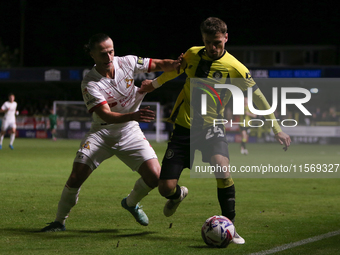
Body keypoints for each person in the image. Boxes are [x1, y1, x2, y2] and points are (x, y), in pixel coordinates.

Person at [139, 17, 291, 244]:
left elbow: (257, 96)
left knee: (222, 167)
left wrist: (276, 128)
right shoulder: (191, 54)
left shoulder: (236, 67)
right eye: (209, 42)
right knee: (165, 188)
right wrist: (154, 84)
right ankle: (178, 195)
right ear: (202, 39)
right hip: (184, 127)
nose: (213, 47)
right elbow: (175, 71)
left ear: (226, 38)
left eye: (218, 42)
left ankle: (230, 226)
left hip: (213, 127)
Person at [41, 33, 182, 232]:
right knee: (76, 177)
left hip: (129, 132)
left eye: (111, 51)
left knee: (155, 178)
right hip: (101, 134)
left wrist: (175, 63)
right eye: (102, 54)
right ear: (91, 54)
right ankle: (59, 222)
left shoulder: (128, 62)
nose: (108, 57)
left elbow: (160, 64)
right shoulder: (90, 83)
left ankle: (130, 203)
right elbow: (106, 115)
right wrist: (134, 115)